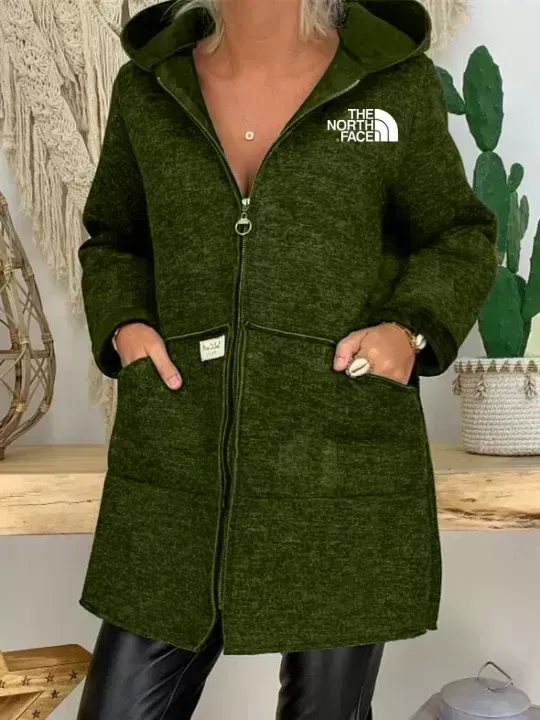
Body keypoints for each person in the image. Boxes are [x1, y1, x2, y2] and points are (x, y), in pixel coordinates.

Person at [75, 0, 499, 717]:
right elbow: (114, 238)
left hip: (340, 462)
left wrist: (409, 332)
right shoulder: (148, 88)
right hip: (178, 466)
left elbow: (457, 234)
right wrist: (126, 328)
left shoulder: (392, 83)